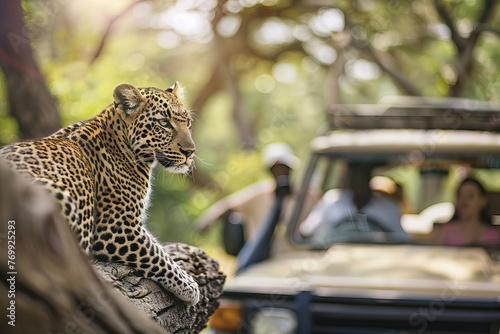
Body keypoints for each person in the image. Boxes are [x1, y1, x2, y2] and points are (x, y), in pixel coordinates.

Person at [196, 142, 302, 241]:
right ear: (269, 171)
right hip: (261, 256)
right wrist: (206, 221)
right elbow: (227, 204)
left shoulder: (307, 195)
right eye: (276, 169)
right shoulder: (259, 194)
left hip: (297, 254)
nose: (280, 173)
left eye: (284, 168)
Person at [300, 163, 408, 239]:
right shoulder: (332, 200)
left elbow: (401, 239)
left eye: (363, 178)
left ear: (368, 180)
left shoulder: (388, 207)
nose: (359, 183)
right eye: (354, 177)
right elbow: (306, 232)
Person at [427, 177, 500, 247]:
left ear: (483, 201)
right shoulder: (444, 232)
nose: (464, 200)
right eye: (460, 196)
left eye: (470, 196)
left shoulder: (494, 236)